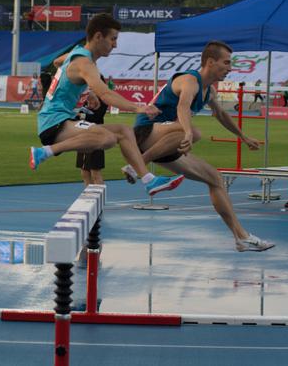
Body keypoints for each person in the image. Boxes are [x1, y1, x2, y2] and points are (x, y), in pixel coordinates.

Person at [121, 40, 274, 252]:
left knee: (215, 179)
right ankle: (136, 166)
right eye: (226, 63)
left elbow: (221, 114)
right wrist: (187, 132)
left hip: (166, 142)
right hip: (145, 133)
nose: (230, 68)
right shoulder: (189, 80)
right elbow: (183, 107)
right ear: (210, 62)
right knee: (195, 132)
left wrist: (243, 136)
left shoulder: (209, 91)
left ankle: (241, 237)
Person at [29, 13, 184, 196]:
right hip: (53, 122)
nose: (115, 45)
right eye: (113, 39)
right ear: (98, 36)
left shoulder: (77, 54)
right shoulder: (84, 63)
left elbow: (57, 62)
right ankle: (44, 152)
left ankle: (149, 180)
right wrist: (138, 107)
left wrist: (88, 90)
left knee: (124, 131)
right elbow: (106, 93)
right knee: (107, 139)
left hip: (60, 119)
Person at [76, 78, 109, 186]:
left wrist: (82, 115)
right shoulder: (88, 99)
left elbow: (97, 117)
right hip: (84, 137)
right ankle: (88, 199)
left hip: (96, 139)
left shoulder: (103, 100)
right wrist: (80, 115)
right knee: (84, 172)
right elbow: (81, 112)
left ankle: (100, 200)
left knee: (95, 172)